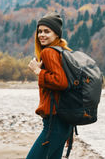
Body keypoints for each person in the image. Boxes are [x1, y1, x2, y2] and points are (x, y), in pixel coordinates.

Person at [26, 13, 73, 159]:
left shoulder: (49, 52)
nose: (42, 35)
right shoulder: (63, 52)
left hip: (54, 124)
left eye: (47, 31)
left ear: (56, 34)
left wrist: (38, 71)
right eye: (39, 31)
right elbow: (67, 91)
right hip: (63, 122)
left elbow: (61, 82)